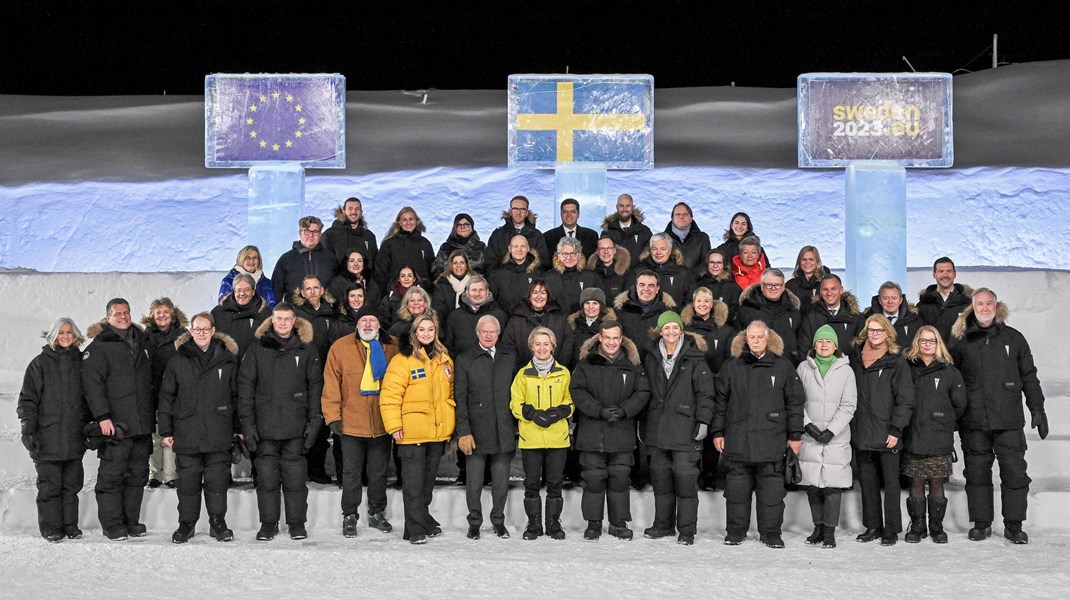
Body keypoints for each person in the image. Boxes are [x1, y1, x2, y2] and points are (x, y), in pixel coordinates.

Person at [950, 288, 1045, 544]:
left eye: (988, 303)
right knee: (977, 473)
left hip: (1009, 420)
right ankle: (981, 523)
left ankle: (1014, 525)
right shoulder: (961, 341)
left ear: (996, 305)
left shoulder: (1014, 338)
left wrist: (1037, 408)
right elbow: (952, 382)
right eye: (979, 303)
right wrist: (952, 417)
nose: (984, 307)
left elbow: (1028, 375)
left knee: (1014, 473)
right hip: (974, 421)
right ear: (973, 307)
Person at [713, 321, 804, 548]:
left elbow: (795, 403)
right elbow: (720, 402)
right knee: (736, 491)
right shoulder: (731, 366)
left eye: (759, 337)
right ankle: (735, 531)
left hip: (771, 441)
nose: (755, 341)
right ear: (745, 339)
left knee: (772, 493)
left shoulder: (783, 367)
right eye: (751, 337)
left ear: (768, 338)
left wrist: (795, 435)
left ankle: (771, 533)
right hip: (738, 439)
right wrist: (717, 432)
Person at [238, 303, 324, 541]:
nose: (283, 323)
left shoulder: (306, 349)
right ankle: (268, 523)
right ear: (271, 320)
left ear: (294, 321)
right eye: (278, 318)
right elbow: (245, 389)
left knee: (296, 479)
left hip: (296, 426)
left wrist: (314, 422)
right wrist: (248, 425)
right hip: (265, 427)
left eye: (287, 319)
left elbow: (315, 388)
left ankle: (296, 523)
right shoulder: (257, 349)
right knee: (266, 479)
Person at [157, 313, 239, 544]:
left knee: (216, 482)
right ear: (190, 331)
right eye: (196, 329)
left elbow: (237, 395)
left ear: (213, 330)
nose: (201, 333)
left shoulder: (227, 359)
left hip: (218, 430)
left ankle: (217, 522)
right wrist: (166, 430)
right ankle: (187, 524)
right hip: (187, 430)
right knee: (188, 483)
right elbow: (166, 397)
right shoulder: (178, 360)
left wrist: (238, 427)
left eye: (205, 329)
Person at [82, 298, 155, 541]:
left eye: (126, 312)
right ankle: (112, 524)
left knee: (137, 476)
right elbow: (92, 386)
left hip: (141, 423)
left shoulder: (142, 340)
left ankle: (130, 521)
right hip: (115, 424)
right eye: (117, 314)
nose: (123, 317)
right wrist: (102, 417)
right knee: (112, 476)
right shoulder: (100, 345)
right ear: (107, 318)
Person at [321, 308, 398, 537]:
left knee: (378, 472)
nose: (367, 324)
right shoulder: (340, 347)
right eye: (363, 320)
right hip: (351, 422)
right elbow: (331, 384)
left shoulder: (392, 347)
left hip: (382, 423)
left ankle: (376, 512)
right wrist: (333, 416)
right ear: (356, 324)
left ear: (379, 324)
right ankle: (350, 515)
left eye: (372, 320)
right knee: (351, 473)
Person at [570, 321, 650, 540]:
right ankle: (594, 523)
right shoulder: (585, 363)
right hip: (592, 432)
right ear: (600, 338)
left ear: (621, 339)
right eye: (608, 338)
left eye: (616, 338)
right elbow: (577, 390)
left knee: (620, 478)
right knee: (593, 478)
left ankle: (618, 522)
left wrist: (624, 410)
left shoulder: (633, 364)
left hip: (621, 431)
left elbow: (643, 392)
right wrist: (598, 410)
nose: (612, 342)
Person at [380, 315, 456, 544]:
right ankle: (414, 529)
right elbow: (390, 395)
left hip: (435, 433)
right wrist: (394, 426)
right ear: (414, 332)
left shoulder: (444, 360)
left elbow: (449, 394)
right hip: (411, 433)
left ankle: (421, 518)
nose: (426, 333)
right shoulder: (403, 360)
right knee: (413, 485)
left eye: (430, 329)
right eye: (421, 329)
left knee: (427, 484)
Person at [642, 311, 714, 545]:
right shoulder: (651, 357)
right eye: (666, 328)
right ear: (660, 331)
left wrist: (703, 421)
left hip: (686, 429)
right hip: (658, 429)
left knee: (685, 482)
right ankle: (663, 525)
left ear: (681, 331)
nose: (671, 332)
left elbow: (706, 394)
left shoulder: (695, 358)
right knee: (661, 481)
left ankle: (686, 529)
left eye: (675, 328)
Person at [18, 318, 89, 542]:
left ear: (76, 335)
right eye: (61, 333)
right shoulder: (39, 364)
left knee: (71, 485)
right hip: (47, 437)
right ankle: (51, 527)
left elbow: (91, 398)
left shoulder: (84, 362)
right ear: (52, 336)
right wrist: (28, 430)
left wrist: (91, 427)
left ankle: (70, 525)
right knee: (50, 486)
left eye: (69, 332)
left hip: (74, 436)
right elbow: (28, 400)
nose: (65, 336)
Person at [849, 314, 914, 546]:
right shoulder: (856, 359)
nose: (874, 335)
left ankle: (891, 529)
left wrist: (896, 430)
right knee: (867, 483)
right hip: (862, 431)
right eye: (871, 330)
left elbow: (905, 400)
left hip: (887, 433)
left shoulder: (896, 362)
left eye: (879, 330)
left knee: (891, 484)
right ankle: (873, 526)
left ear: (888, 333)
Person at [454, 315, 518, 539]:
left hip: (504, 429)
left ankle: (498, 521)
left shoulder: (510, 357)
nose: (488, 335)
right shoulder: (465, 359)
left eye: (493, 332)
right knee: (474, 482)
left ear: (498, 334)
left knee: (501, 482)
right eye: (484, 331)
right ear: (477, 333)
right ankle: (474, 522)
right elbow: (459, 398)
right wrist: (463, 431)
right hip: (476, 431)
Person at [902, 325, 966, 544]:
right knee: (917, 482)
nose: (927, 345)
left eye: (932, 341)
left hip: (939, 436)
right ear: (916, 343)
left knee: (937, 483)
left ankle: (936, 527)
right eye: (923, 341)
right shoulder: (907, 368)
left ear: (938, 344)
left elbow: (960, 403)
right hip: (914, 435)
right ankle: (918, 525)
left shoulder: (949, 371)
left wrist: (943, 419)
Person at [795, 324, 857, 549]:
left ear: (835, 346)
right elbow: (795, 400)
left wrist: (832, 430)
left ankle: (830, 531)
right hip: (810, 436)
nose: (824, 345)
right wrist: (808, 425)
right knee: (813, 486)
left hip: (835, 438)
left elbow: (849, 404)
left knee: (832, 487)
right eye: (820, 341)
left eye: (828, 342)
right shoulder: (803, 368)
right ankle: (818, 527)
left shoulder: (845, 370)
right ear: (814, 345)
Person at [510, 327, 574, 541]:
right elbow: (514, 403)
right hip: (532, 438)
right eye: (537, 344)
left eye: (546, 344)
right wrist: (530, 413)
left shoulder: (563, 373)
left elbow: (571, 401)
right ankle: (534, 523)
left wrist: (560, 412)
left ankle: (553, 523)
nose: (542, 348)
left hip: (557, 438)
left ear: (553, 347)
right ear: (531, 347)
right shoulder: (522, 374)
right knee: (532, 484)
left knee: (555, 483)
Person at [681, 287, 735, 490]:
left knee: (713, 429)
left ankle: (710, 477)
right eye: (699, 301)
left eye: (706, 301)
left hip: (715, 387)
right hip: (689, 388)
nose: (702, 305)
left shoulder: (726, 330)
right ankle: (692, 476)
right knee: (692, 431)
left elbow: (730, 360)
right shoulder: (684, 329)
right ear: (693, 304)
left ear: (712, 304)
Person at [141, 297, 188, 489]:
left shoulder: (182, 335)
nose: (162, 315)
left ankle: (170, 474)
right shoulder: (144, 337)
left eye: (166, 311)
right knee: (155, 437)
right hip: (151, 393)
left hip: (174, 392)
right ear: (152, 315)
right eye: (158, 312)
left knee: (171, 435)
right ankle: (155, 473)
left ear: (173, 314)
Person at [502, 278, 575, 369]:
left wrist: (558, 367)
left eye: (543, 293)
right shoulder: (516, 320)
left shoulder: (560, 318)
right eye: (535, 292)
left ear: (548, 296)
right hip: (524, 375)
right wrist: (523, 369)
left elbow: (567, 345)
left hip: (556, 374)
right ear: (529, 296)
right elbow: (509, 347)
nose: (539, 296)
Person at [737, 268, 804, 365]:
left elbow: (801, 341)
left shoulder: (793, 311)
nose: (773, 288)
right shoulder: (746, 310)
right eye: (769, 285)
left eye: (777, 285)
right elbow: (739, 341)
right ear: (761, 286)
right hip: (756, 367)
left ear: (783, 287)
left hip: (787, 366)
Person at [270, 215, 338, 304]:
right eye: (307, 231)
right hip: (295, 313)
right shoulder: (286, 259)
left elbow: (339, 286)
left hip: (325, 313)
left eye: (315, 232)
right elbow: (276, 291)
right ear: (300, 233)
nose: (311, 235)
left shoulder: (331, 259)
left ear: (320, 234)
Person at [614, 270, 677, 358]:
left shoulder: (668, 313)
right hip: (627, 364)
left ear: (657, 289)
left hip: (656, 363)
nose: (646, 289)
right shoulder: (620, 310)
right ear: (636, 286)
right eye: (642, 285)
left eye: (651, 285)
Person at [213, 273, 273, 361]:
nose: (242, 293)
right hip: (227, 365)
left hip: (255, 366)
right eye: (239, 290)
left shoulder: (266, 314)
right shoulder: (218, 313)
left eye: (247, 290)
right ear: (234, 291)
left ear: (253, 292)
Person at [797, 274, 864, 352]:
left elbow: (860, 349)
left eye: (833, 289)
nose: (829, 293)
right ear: (820, 291)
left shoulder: (856, 317)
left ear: (841, 290)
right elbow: (804, 348)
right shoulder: (810, 317)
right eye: (825, 289)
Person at [484, 195, 550, 274]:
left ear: (526, 213)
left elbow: (544, 263)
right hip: (503, 281)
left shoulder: (536, 235)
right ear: (510, 212)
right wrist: (496, 279)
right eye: (515, 209)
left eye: (522, 209)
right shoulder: (498, 234)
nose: (518, 212)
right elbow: (490, 262)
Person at [444, 275, 508, 356]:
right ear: (467, 293)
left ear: (487, 292)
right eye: (474, 290)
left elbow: (505, 345)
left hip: (493, 365)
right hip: (463, 365)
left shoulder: (500, 315)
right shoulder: (454, 317)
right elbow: (448, 346)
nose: (477, 294)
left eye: (481, 290)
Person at [627, 232, 694, 309]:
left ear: (670, 250)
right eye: (654, 249)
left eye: (663, 249)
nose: (658, 252)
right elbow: (629, 298)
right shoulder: (637, 271)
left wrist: (676, 318)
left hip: (674, 319)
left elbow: (689, 300)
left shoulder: (683, 273)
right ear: (650, 250)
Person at [374, 206, 435, 290]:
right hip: (396, 294)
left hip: (420, 294)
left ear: (416, 221)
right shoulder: (389, 244)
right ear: (399, 222)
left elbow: (431, 269)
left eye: (411, 219)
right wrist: (388, 290)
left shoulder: (425, 244)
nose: (408, 222)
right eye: (404, 220)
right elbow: (381, 271)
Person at [541, 236, 601, 317]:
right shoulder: (548, 278)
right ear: (559, 256)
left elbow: (600, 304)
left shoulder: (591, 277)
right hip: (555, 324)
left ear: (579, 255)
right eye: (565, 254)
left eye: (573, 253)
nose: (569, 257)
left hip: (583, 325)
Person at [917, 257, 972, 343]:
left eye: (949, 271)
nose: (945, 275)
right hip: (934, 355)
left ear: (955, 274)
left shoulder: (968, 303)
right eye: (941, 271)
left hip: (960, 355)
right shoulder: (923, 305)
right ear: (934, 274)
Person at [488, 234, 544, 314]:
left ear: (528, 248)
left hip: (531, 321)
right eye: (515, 246)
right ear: (509, 249)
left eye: (523, 246)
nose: (519, 249)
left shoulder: (538, 274)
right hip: (505, 321)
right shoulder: (498, 275)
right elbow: (492, 302)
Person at [320, 197, 379, 273]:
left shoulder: (369, 236)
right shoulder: (330, 235)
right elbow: (326, 264)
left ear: (361, 212)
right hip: (339, 283)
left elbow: (374, 264)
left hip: (364, 283)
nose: (353, 212)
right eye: (350, 209)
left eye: (357, 209)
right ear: (344, 211)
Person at [863, 281, 923, 349]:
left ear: (900, 300)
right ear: (879, 300)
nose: (890, 302)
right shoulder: (866, 321)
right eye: (885, 298)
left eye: (894, 298)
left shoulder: (914, 321)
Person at [567, 287, 616, 365]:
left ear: (601, 306)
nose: (591, 307)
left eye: (595, 303)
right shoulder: (573, 324)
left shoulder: (610, 327)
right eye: (587, 303)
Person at [601, 193, 652, 269]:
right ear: (616, 207)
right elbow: (603, 257)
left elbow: (649, 258)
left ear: (633, 207)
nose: (624, 209)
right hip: (615, 276)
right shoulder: (607, 232)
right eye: (621, 206)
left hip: (638, 276)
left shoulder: (644, 231)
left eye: (628, 206)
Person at [662, 202, 711, 276]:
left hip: (696, 283)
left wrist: (690, 277)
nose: (681, 217)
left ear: (691, 218)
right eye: (677, 214)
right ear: (672, 218)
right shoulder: (661, 239)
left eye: (685, 214)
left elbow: (706, 263)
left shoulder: (702, 238)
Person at [695, 249, 742, 326]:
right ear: (707, 264)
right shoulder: (698, 285)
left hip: (724, 331)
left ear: (724, 265)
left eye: (719, 263)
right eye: (712, 262)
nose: (715, 266)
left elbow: (737, 315)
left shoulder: (733, 288)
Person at [431, 213, 486, 278]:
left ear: (472, 227)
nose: (462, 227)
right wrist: (443, 281)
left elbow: (487, 268)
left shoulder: (481, 246)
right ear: (454, 228)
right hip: (448, 285)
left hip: (474, 285)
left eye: (466, 224)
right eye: (459, 225)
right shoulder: (445, 247)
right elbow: (436, 267)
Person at [785, 245, 831, 316]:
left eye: (811, 259)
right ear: (799, 262)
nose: (807, 262)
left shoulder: (826, 283)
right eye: (804, 259)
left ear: (817, 262)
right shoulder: (791, 285)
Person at [431, 249, 473, 324]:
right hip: (448, 327)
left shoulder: (475, 283)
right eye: (455, 263)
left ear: (466, 266)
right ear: (450, 266)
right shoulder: (441, 284)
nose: (458, 266)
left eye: (462, 263)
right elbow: (438, 312)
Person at [587, 234, 631, 301]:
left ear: (614, 250)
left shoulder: (626, 275)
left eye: (609, 248)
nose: (606, 252)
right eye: (602, 249)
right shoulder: (589, 275)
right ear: (597, 252)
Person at [378, 266, 422, 331]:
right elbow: (383, 320)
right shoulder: (389, 298)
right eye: (403, 276)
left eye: (409, 276)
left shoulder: (423, 296)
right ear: (398, 279)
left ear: (414, 279)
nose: (406, 279)